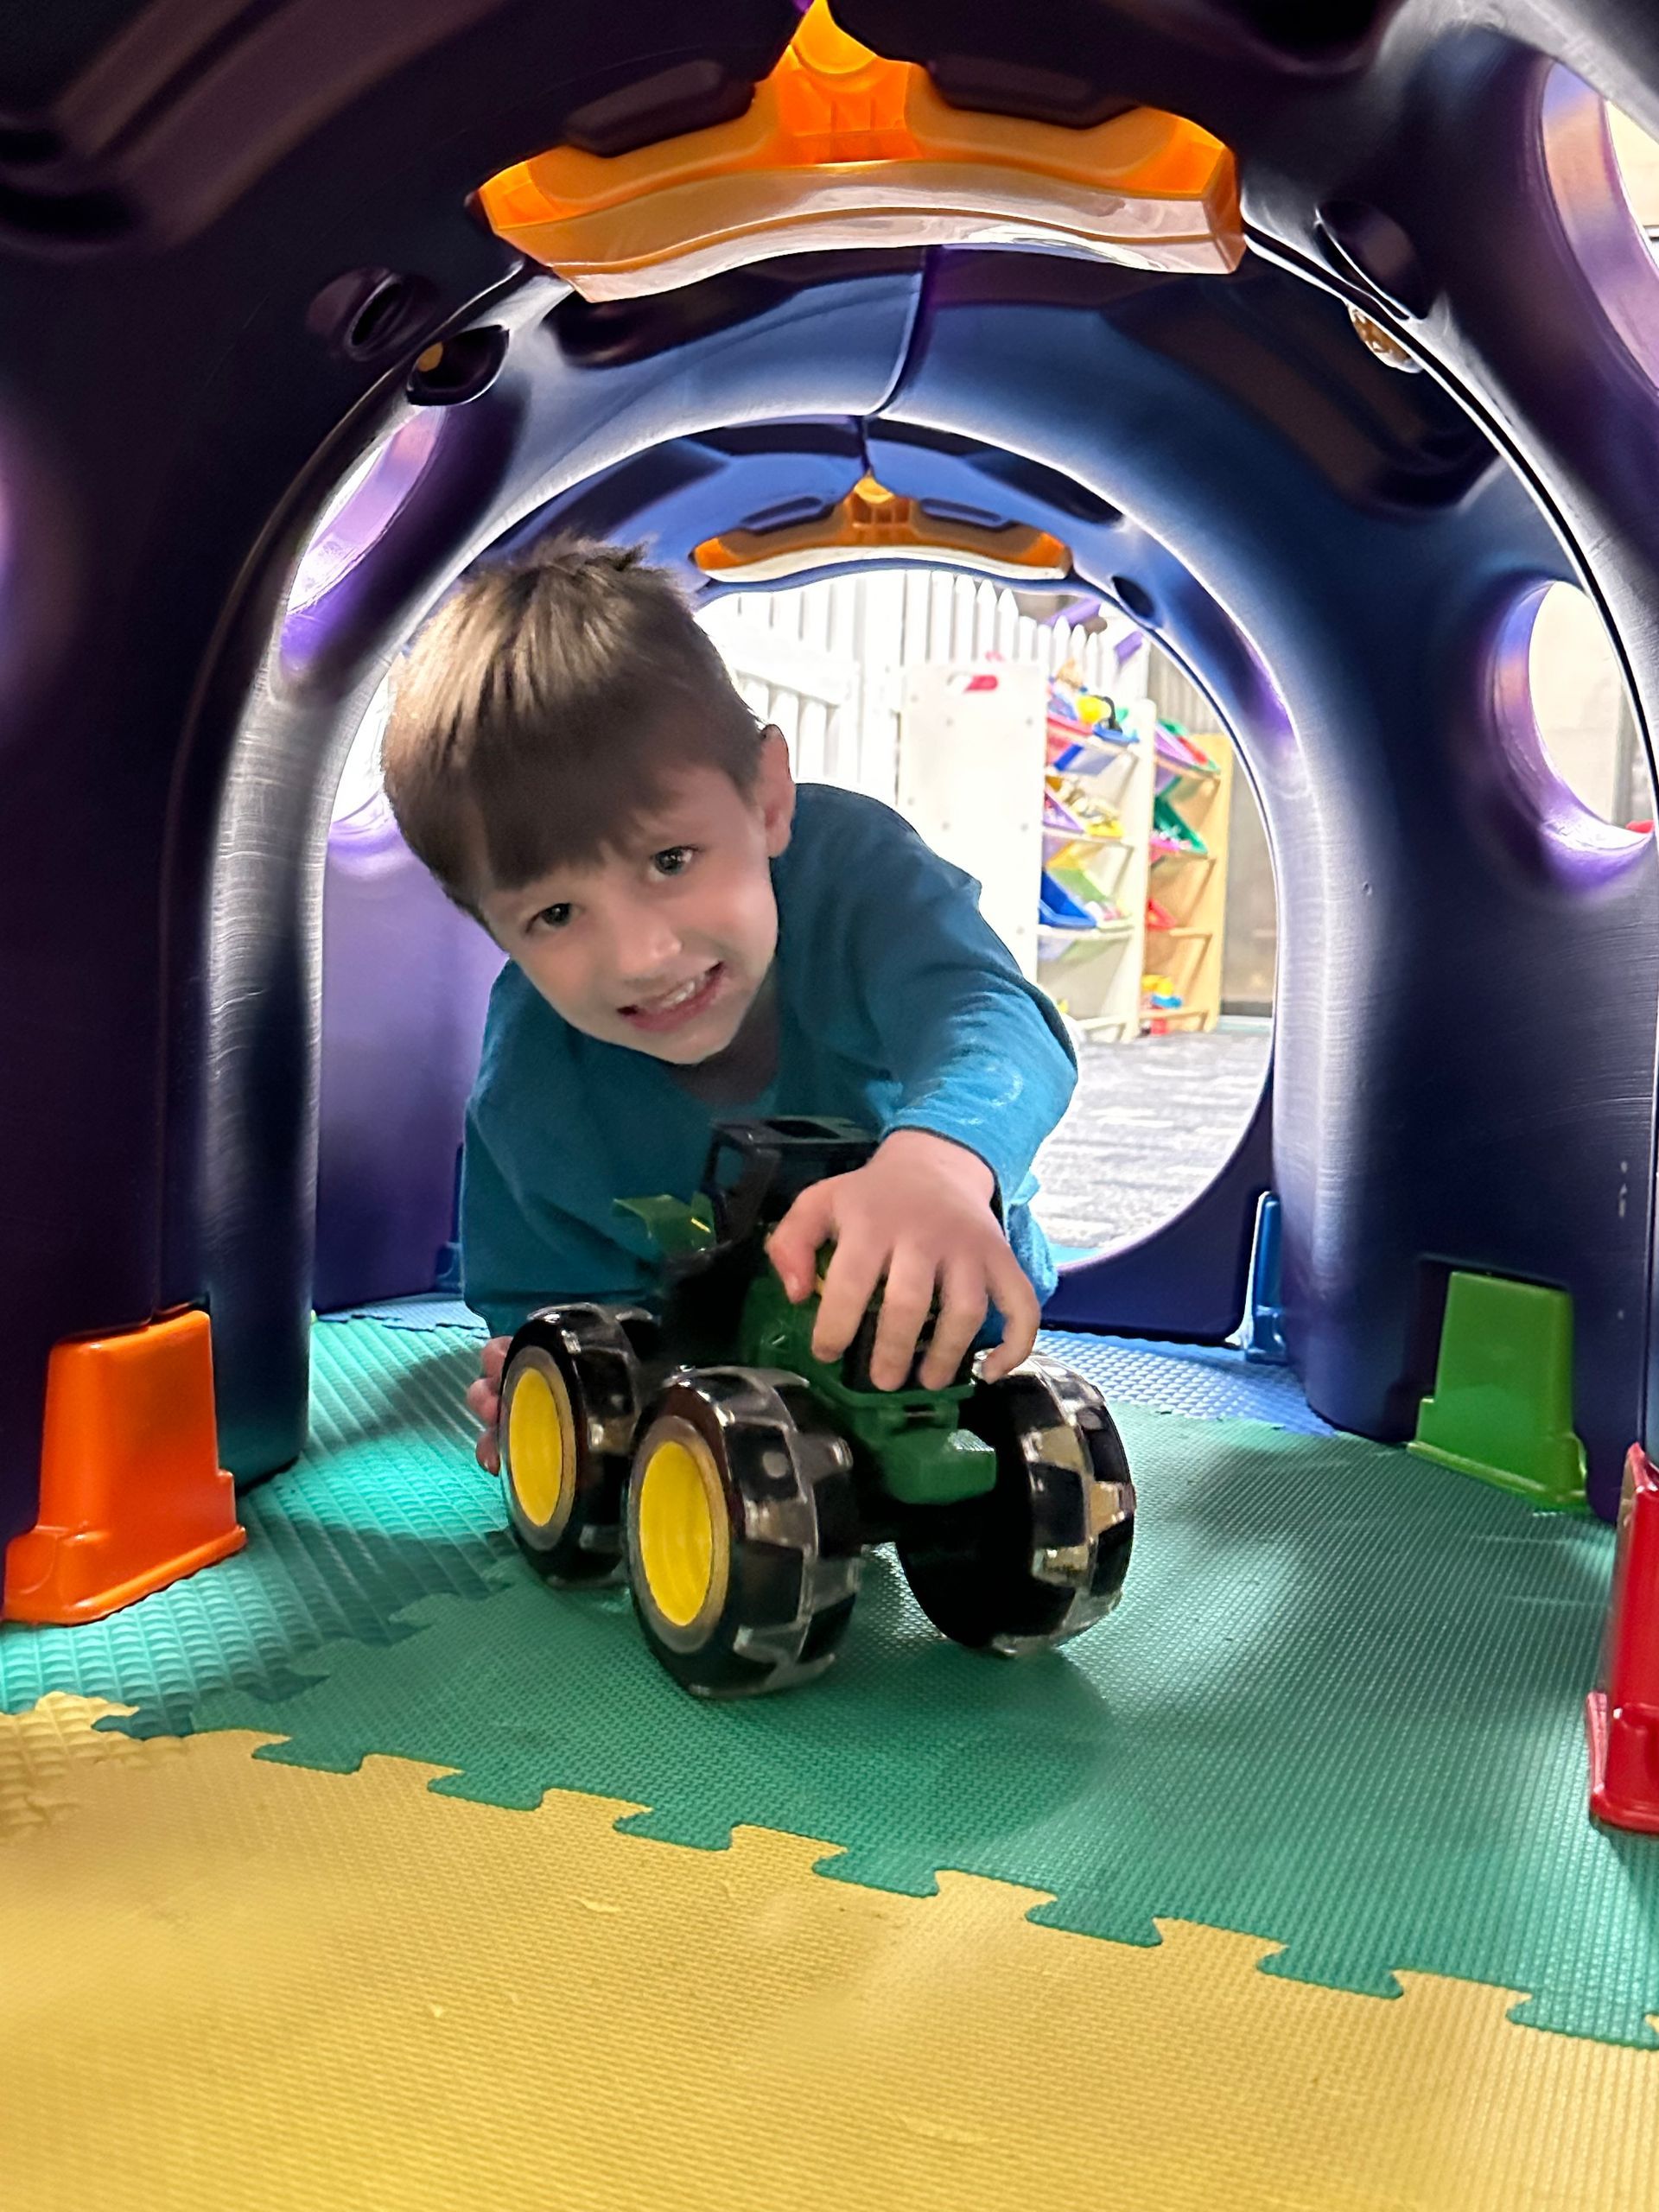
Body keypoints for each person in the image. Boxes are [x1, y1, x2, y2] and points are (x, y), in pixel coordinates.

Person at [380, 541, 1077, 1471]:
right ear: (492, 931)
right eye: (554, 913)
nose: (641, 957)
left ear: (768, 799)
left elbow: (991, 1017)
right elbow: (539, 1298)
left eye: (672, 860)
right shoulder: (531, 1089)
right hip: (711, 1373)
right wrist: (543, 1374)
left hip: (960, 1318)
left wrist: (938, 1164)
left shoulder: (856, 879)